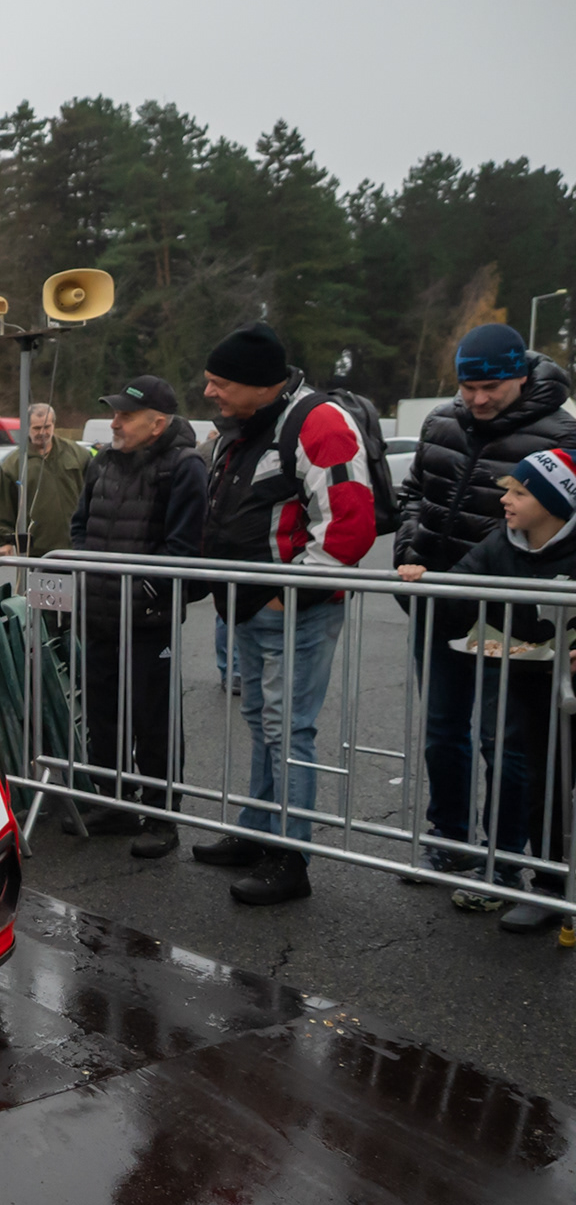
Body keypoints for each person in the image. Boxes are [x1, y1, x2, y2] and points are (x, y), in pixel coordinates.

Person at [193, 322, 376, 904]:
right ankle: (257, 831)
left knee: (288, 730)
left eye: (219, 382)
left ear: (259, 384)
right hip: (249, 606)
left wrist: (288, 594)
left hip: (294, 610)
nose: (209, 392)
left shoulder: (319, 422)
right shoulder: (249, 424)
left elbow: (349, 525)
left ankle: (290, 858)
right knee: (262, 722)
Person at [394, 324, 575, 880]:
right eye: (467, 386)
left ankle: (506, 856)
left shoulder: (562, 433)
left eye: (491, 387)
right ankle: (449, 841)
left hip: (516, 618)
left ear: (521, 376)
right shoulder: (440, 422)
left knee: (507, 742)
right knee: (443, 730)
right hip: (442, 603)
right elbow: (413, 494)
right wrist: (408, 548)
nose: (477, 399)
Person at [420, 450, 576, 933]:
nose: (505, 500)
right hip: (532, 682)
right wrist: (426, 584)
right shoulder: (501, 541)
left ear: (554, 504)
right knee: (545, 784)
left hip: (568, 682)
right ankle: (549, 887)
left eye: (520, 493)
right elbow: (461, 589)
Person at [64, 377, 207, 859]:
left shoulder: (184, 466)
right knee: (103, 714)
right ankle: (113, 803)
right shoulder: (103, 461)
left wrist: (142, 589)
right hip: (99, 614)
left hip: (148, 621)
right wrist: (89, 573)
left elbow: (184, 549)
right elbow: (80, 525)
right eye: (115, 413)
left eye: (125, 415)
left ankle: (162, 816)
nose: (115, 422)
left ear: (157, 424)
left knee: (153, 720)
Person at [0, 403, 90, 559]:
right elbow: (3, 507)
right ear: (27, 428)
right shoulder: (14, 464)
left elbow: (93, 495)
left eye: (47, 427)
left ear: (54, 425)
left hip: (76, 546)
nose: (42, 433)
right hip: (37, 551)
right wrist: (4, 541)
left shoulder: (78, 454)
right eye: (37, 428)